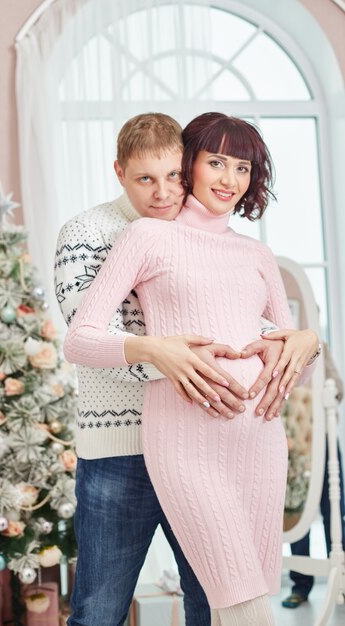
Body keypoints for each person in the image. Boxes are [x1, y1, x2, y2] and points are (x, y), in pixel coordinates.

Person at [64, 112, 320, 626]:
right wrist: (157, 351)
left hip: (259, 443)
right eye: (217, 162)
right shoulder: (146, 237)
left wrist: (306, 345)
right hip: (184, 444)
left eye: (243, 167)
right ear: (191, 164)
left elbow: (294, 361)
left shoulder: (257, 253)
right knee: (243, 604)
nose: (229, 179)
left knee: (232, 604)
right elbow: (80, 338)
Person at [282, 342, 345, 609]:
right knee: (297, 512)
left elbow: (337, 389)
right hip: (293, 443)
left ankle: (341, 578)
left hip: (324, 438)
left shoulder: (321, 348)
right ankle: (301, 585)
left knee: (336, 509)